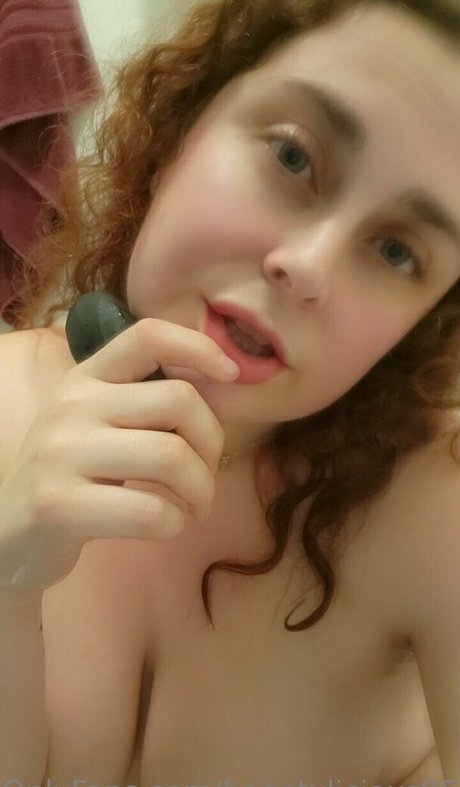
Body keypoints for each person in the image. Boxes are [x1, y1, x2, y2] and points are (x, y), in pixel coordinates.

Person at [0, 0, 459, 783]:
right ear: (181, 128)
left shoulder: (433, 510)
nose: (307, 267)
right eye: (292, 156)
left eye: (395, 251)